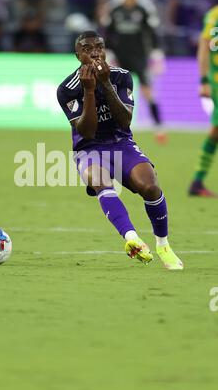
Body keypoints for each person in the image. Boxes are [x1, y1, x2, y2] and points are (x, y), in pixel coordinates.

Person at [57, 30, 184, 270]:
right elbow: (87, 132)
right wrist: (89, 90)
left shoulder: (122, 76)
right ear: (77, 55)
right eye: (87, 48)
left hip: (121, 142)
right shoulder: (67, 89)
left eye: (99, 46)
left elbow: (125, 121)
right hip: (89, 148)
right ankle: (132, 239)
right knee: (100, 180)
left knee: (150, 186)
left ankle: (163, 245)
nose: (94, 52)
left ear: (105, 50)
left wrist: (105, 83)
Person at [106, 0, 167, 144]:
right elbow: (107, 34)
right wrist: (109, 52)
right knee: (114, 95)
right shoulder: (115, 9)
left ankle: (159, 127)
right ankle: (113, 129)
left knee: (148, 92)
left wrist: (156, 53)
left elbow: (153, 33)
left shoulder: (143, 10)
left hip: (139, 57)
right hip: (120, 58)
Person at [189, 5, 218, 197]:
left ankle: (197, 181)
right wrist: (203, 80)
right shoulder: (214, 16)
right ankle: (197, 181)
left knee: (216, 132)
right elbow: (204, 46)